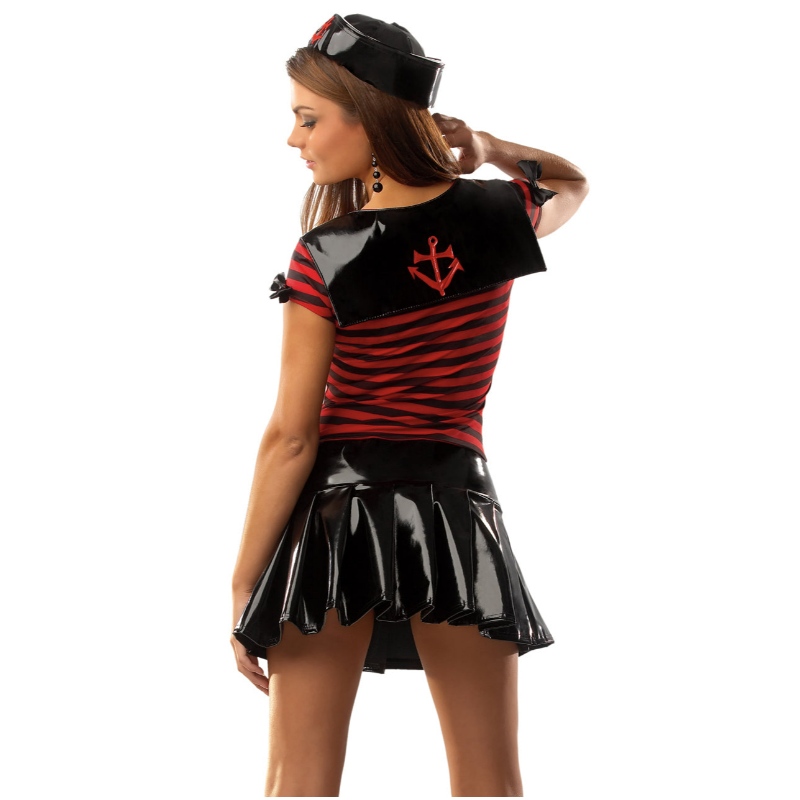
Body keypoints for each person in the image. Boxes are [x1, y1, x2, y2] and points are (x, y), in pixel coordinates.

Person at [230, 13, 588, 797]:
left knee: (298, 784)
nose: (295, 139)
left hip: (335, 521)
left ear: (368, 116)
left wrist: (244, 581)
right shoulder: (500, 216)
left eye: (308, 118)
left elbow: (292, 438)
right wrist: (487, 147)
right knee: (492, 783)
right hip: (459, 514)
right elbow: (570, 183)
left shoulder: (325, 256)